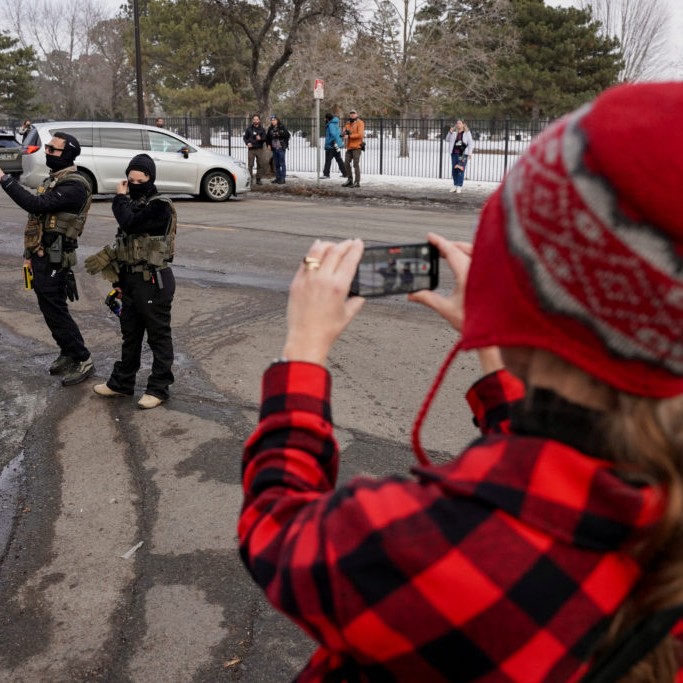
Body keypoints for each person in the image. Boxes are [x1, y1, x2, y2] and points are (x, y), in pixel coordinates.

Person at [239, 82, 683, 681]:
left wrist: (303, 350)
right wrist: (501, 358)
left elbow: (278, 532)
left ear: (526, 294)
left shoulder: (446, 546)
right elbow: (552, 467)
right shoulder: (648, 491)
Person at [0, 132, 94, 386]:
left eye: (53, 150)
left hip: (57, 257)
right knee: (49, 307)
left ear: (68, 155)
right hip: (42, 254)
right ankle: (68, 351)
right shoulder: (53, 180)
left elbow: (35, 205)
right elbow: (37, 222)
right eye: (48, 148)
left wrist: (4, 179)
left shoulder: (74, 185)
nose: (48, 152)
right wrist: (28, 254)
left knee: (55, 309)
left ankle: (82, 357)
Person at [86, 154, 176, 410]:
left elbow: (131, 223)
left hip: (153, 280)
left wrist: (119, 198)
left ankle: (159, 388)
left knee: (158, 336)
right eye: (131, 179)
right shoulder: (133, 202)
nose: (135, 183)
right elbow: (125, 245)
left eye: (141, 179)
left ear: (151, 178)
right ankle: (121, 383)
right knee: (130, 334)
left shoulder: (160, 206)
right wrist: (118, 281)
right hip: (131, 280)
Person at [445, 118, 474, 193]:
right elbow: (447, 139)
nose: (458, 125)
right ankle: (455, 185)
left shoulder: (467, 133)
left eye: (460, 123)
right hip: (454, 153)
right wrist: (450, 132)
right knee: (454, 170)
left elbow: (470, 143)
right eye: (457, 123)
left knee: (460, 169)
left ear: (463, 124)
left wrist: (470, 153)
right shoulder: (454, 132)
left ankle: (459, 186)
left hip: (463, 154)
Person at [341, 109, 365, 188]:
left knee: (355, 164)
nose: (352, 115)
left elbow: (360, 135)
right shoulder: (348, 123)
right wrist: (344, 133)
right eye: (351, 114)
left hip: (357, 146)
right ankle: (349, 180)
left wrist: (350, 136)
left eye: (353, 113)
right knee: (346, 163)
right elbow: (344, 131)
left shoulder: (360, 123)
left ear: (357, 114)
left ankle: (357, 182)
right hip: (349, 146)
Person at [243, 114, 268, 186]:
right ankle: (250, 179)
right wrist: (247, 143)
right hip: (251, 149)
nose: (255, 121)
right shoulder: (249, 129)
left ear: (259, 120)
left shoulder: (262, 129)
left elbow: (265, 138)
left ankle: (258, 179)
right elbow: (245, 137)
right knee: (250, 165)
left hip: (259, 149)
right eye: (254, 119)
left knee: (260, 164)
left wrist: (261, 139)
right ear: (252, 120)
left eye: (257, 119)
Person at [265, 115, 291, 185]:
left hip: (281, 148)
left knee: (282, 163)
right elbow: (267, 138)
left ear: (277, 120)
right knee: (276, 164)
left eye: (274, 120)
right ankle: (278, 178)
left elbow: (288, 135)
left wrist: (280, 133)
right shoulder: (270, 128)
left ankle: (283, 178)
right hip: (274, 148)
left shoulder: (282, 127)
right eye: (272, 120)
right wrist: (268, 144)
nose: (273, 121)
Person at [322, 112, 346, 179]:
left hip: (331, 145)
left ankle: (326, 174)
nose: (324, 120)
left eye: (325, 118)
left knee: (328, 160)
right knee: (339, 159)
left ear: (327, 118)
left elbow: (333, 134)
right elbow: (337, 134)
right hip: (336, 145)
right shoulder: (335, 124)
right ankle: (345, 173)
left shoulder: (330, 125)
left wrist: (330, 142)